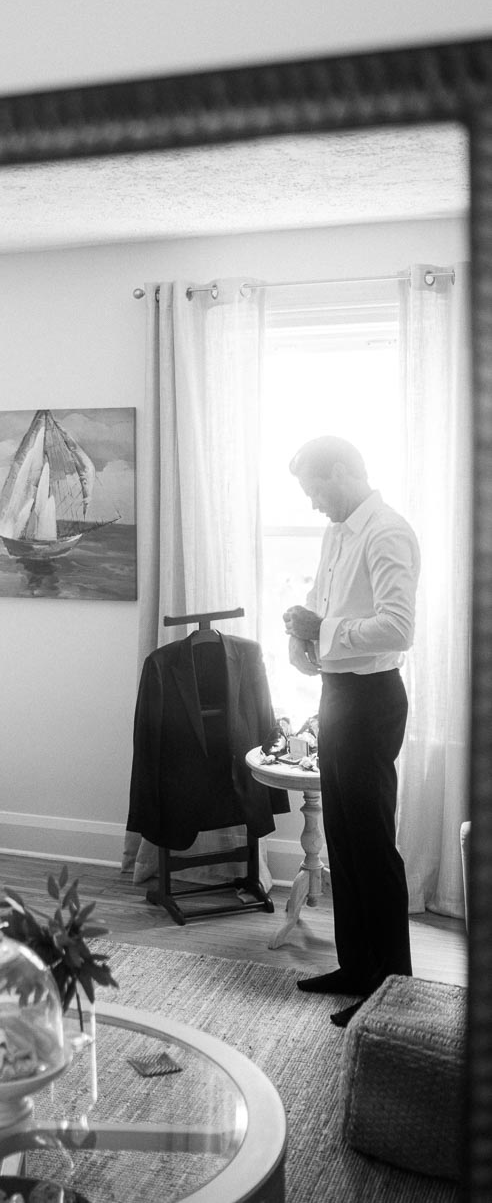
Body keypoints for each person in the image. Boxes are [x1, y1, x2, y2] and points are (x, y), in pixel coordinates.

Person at [283, 435, 420, 1028]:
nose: (313, 503)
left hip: (372, 701)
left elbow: (398, 626)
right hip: (337, 695)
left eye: (315, 489)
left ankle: (391, 987)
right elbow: (318, 604)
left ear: (342, 473)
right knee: (341, 837)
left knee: (371, 844)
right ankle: (354, 966)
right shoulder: (336, 533)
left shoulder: (387, 531)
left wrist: (325, 629)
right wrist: (300, 636)